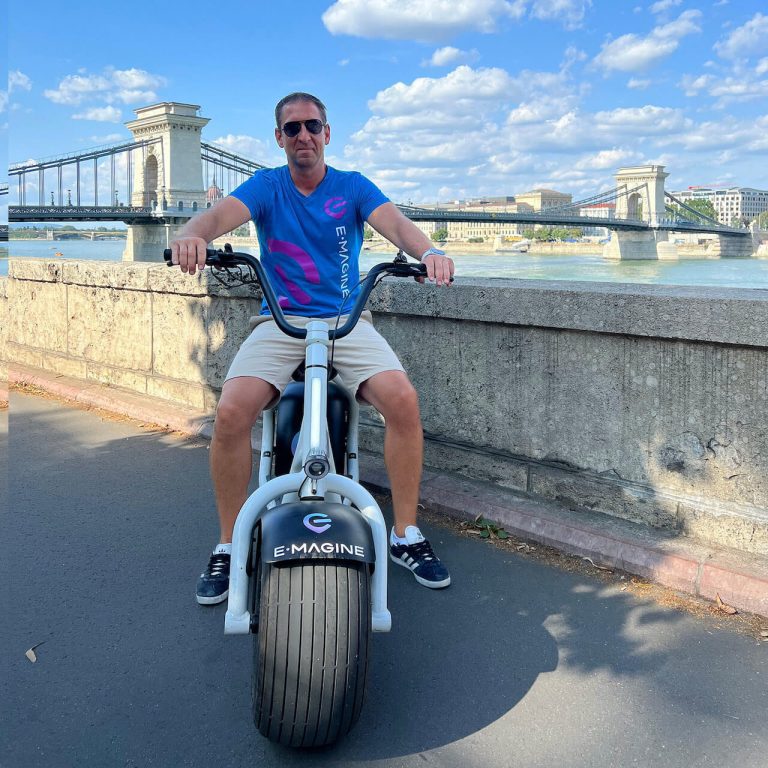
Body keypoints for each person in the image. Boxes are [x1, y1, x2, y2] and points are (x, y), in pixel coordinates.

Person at [169, 92, 455, 605]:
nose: (304, 136)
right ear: (279, 138)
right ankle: (230, 542)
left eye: (313, 127)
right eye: (293, 128)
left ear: (328, 133)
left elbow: (397, 226)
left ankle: (405, 534)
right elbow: (214, 220)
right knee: (232, 413)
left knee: (404, 402)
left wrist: (429, 251)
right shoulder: (266, 186)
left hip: (347, 321)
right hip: (280, 321)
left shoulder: (352, 187)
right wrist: (191, 233)